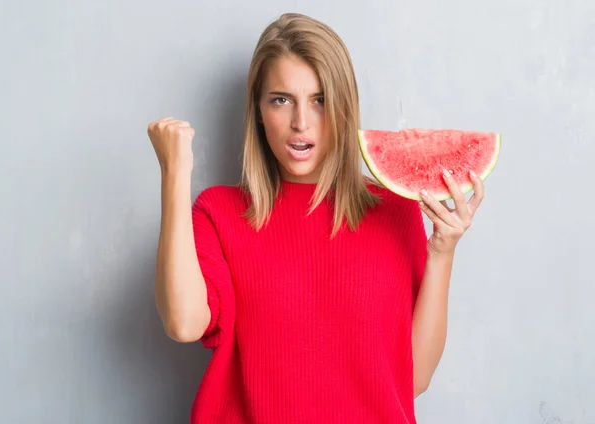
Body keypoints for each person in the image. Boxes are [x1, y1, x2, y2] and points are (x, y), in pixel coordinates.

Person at [147, 12, 485, 424]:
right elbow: (183, 323)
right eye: (281, 99)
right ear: (257, 110)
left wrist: (442, 253)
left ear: (343, 108)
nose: (301, 123)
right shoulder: (219, 213)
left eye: (319, 100)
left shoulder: (395, 210)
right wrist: (174, 174)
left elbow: (412, 379)